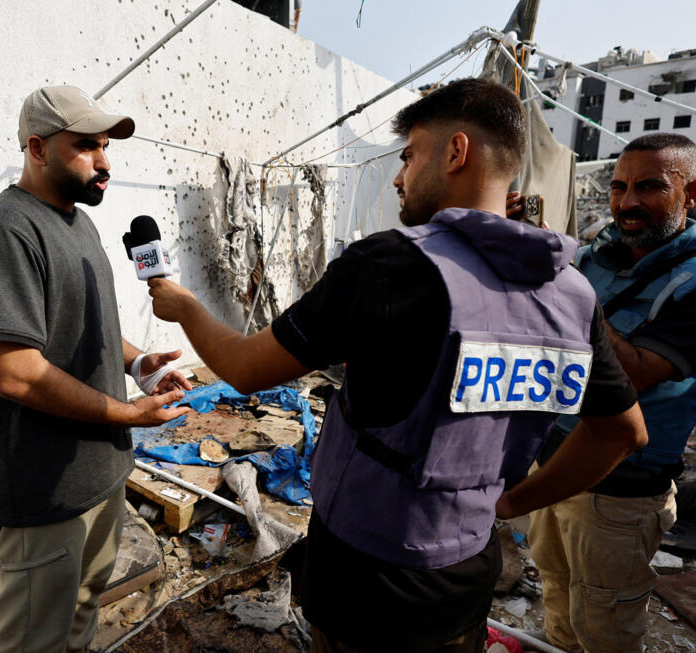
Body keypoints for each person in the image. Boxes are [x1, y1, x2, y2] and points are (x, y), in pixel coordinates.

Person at [145, 77, 648, 653]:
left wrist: (185, 307)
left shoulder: (389, 265)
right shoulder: (572, 294)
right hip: (467, 574)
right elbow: (623, 432)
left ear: (456, 152)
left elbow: (244, 368)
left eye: (409, 156)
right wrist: (510, 503)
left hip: (365, 576)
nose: (398, 176)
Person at [0, 85, 193, 653]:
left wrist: (136, 361)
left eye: (106, 146)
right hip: (43, 493)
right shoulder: (5, 229)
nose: (104, 161)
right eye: (86, 146)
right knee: (31, 640)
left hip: (100, 476)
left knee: (83, 611)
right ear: (37, 148)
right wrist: (128, 413)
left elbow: (78, 322)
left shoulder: (78, 223)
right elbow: (14, 371)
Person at [527, 133, 696, 653]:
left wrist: (566, 291)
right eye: (619, 187)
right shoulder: (603, 255)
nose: (627, 201)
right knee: (558, 602)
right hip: (549, 469)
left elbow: (634, 374)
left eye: (650, 186)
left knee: (605, 630)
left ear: (692, 193)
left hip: (618, 497)